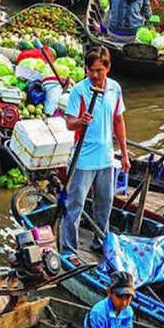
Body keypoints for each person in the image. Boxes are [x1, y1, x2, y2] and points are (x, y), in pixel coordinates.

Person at [62, 46, 129, 262]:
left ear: (107, 68)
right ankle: (69, 250)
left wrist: (125, 155)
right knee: (75, 205)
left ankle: (99, 242)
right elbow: (69, 123)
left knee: (104, 204)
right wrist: (79, 121)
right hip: (83, 159)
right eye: (91, 70)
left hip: (106, 158)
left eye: (99, 70)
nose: (94, 75)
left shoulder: (114, 89)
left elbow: (118, 121)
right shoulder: (79, 91)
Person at [80, 271, 157, 328]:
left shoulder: (128, 311)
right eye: (119, 297)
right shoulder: (99, 313)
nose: (124, 302)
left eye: (127, 297)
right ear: (109, 292)